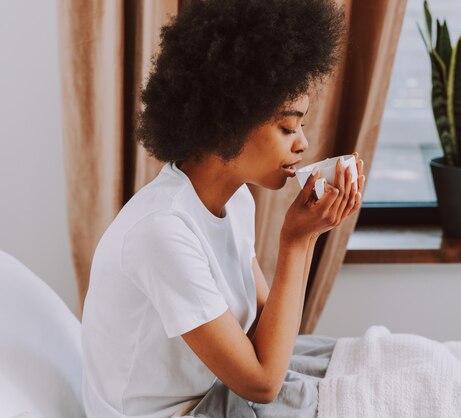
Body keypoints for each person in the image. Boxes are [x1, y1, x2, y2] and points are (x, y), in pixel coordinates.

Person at [80, 0, 365, 417]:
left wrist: (310, 233)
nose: (302, 143)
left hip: (217, 395)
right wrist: (296, 240)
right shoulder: (162, 231)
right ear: (230, 118)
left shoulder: (237, 202)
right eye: (288, 126)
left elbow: (267, 338)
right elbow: (263, 382)